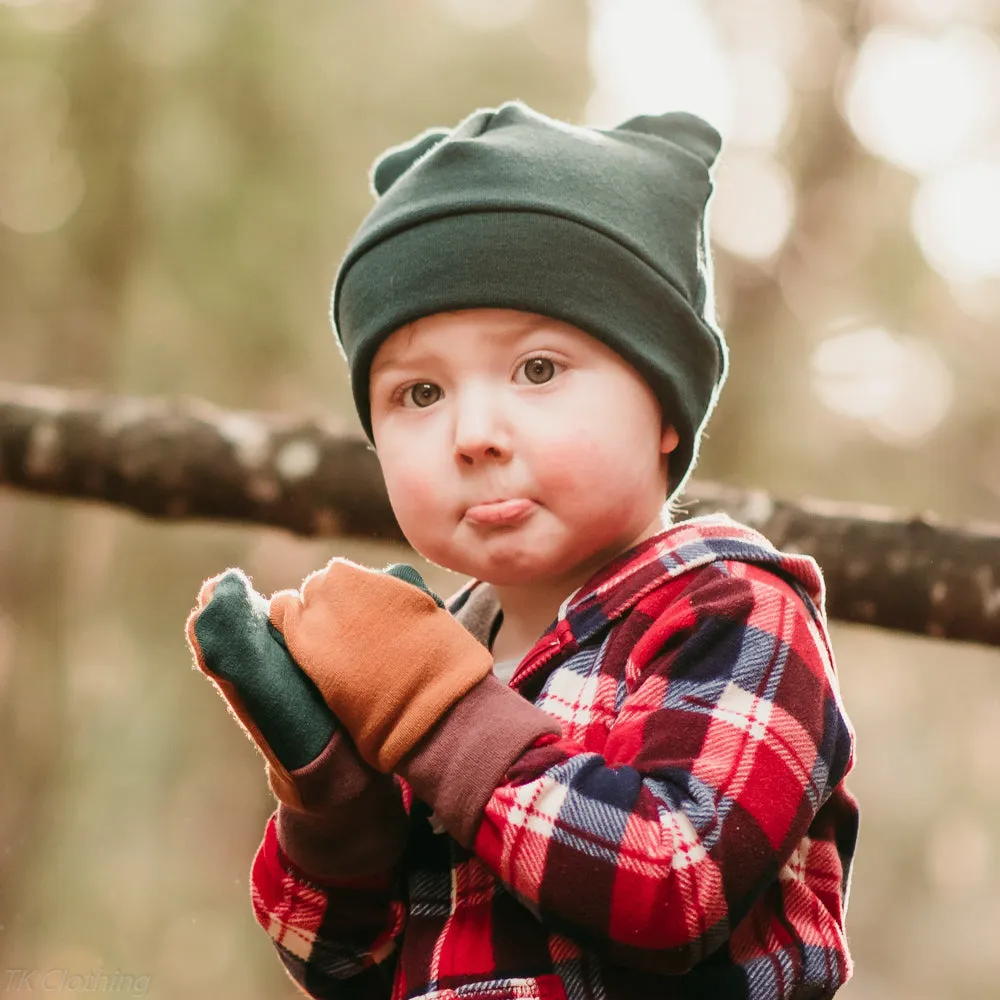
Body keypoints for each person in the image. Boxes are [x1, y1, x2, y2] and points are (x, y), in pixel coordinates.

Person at [186, 101, 858, 999]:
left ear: (663, 409)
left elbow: (674, 889)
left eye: (538, 370)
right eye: (418, 392)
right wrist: (337, 805)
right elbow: (339, 967)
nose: (472, 433)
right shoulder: (437, 653)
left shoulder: (734, 613)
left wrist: (439, 717)